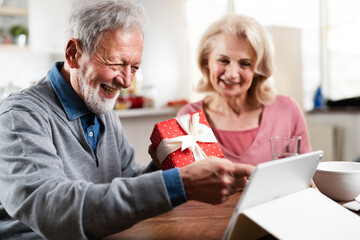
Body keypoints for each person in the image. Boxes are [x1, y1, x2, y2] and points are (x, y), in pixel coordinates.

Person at [0, 1, 255, 239]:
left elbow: (125, 185)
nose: (126, 81)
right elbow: (53, 210)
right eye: (115, 63)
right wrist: (180, 183)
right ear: (73, 54)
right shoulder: (20, 116)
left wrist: (161, 168)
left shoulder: (102, 110)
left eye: (134, 67)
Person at [178, 14, 312, 165]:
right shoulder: (188, 118)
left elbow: (306, 176)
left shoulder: (287, 110)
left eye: (245, 64)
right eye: (223, 60)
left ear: (258, 69)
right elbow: (185, 185)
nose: (232, 74)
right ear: (206, 60)